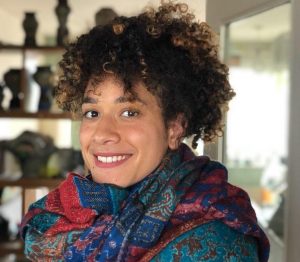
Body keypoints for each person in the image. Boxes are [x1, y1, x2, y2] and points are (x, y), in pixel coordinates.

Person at [20, 1, 270, 261]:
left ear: (174, 127)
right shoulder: (66, 211)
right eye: (92, 113)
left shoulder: (217, 241)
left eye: (129, 112)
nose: (102, 133)